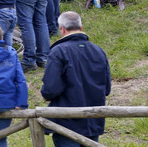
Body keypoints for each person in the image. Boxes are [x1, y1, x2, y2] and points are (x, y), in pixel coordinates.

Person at [41, 12, 111, 147]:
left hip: (66, 120)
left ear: (62, 29)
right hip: (93, 118)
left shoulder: (58, 51)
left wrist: (46, 94)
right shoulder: (99, 51)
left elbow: (51, 88)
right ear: (81, 26)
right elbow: (106, 88)